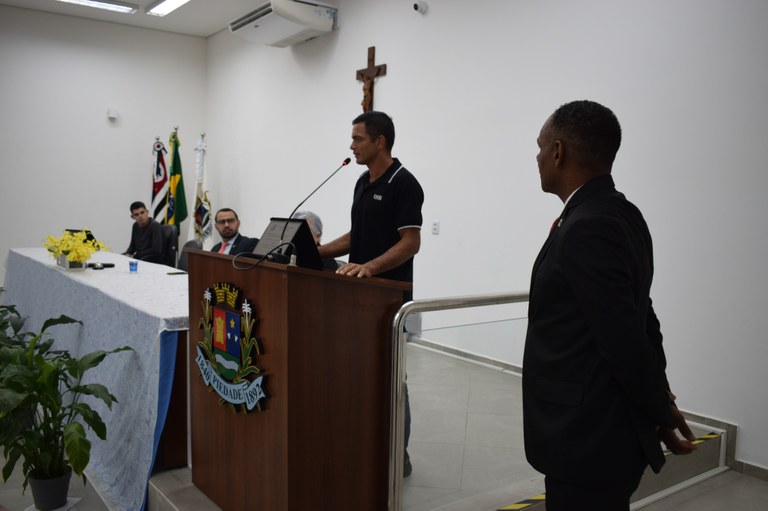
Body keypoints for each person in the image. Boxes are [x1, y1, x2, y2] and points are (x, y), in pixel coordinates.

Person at [523, 100, 697, 510]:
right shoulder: (620, 212)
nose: (537, 157)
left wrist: (659, 411)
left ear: (558, 152)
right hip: (599, 434)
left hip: (587, 439)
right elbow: (641, 317)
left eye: (540, 147)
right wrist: (660, 402)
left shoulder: (588, 226)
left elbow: (624, 339)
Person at [318, 111, 424, 477]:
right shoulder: (362, 181)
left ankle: (398, 455)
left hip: (388, 301)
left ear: (380, 141)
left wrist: (371, 267)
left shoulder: (404, 183)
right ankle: (366, 444)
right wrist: (317, 251)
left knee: (392, 382)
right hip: (357, 300)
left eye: (357, 138)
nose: (351, 145)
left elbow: (411, 242)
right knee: (360, 376)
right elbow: (356, 235)